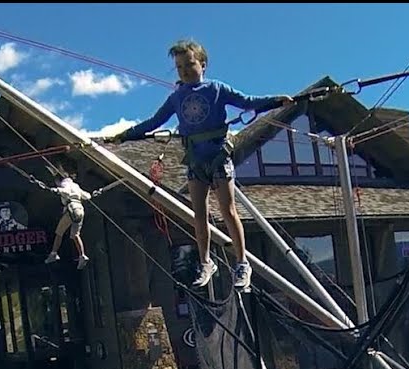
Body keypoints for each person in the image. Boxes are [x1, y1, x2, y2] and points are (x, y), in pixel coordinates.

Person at [109, 39, 293, 291]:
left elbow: (248, 101)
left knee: (228, 210)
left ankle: (242, 263)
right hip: (196, 160)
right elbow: (154, 122)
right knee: (199, 214)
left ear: (203, 64)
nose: (184, 71)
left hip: (218, 156)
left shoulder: (216, 89)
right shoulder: (177, 97)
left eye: (189, 64)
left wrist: (276, 101)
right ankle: (206, 262)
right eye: (179, 67)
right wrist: (125, 135)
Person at [45, 169, 92, 269]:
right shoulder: (75, 185)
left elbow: (66, 191)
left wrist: (57, 190)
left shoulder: (64, 184)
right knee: (75, 235)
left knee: (59, 232)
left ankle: (54, 253)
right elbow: (87, 196)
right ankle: (82, 255)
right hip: (80, 209)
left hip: (71, 210)